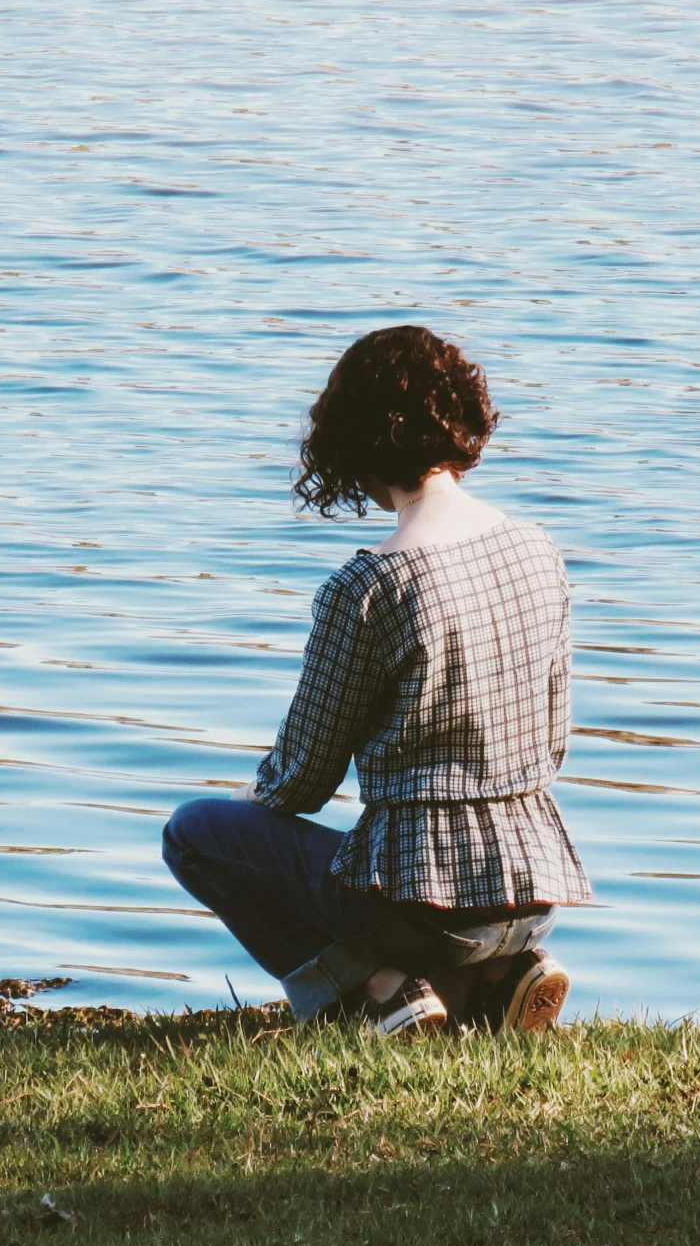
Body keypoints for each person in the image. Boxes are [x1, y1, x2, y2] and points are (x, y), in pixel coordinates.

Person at [162, 325, 591, 1036]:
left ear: (356, 442)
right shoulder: (537, 547)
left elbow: (303, 778)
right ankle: (502, 974)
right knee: (429, 905)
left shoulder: (368, 587)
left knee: (195, 834)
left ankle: (382, 990)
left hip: (423, 909)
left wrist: (251, 796)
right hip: (536, 889)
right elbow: (552, 742)